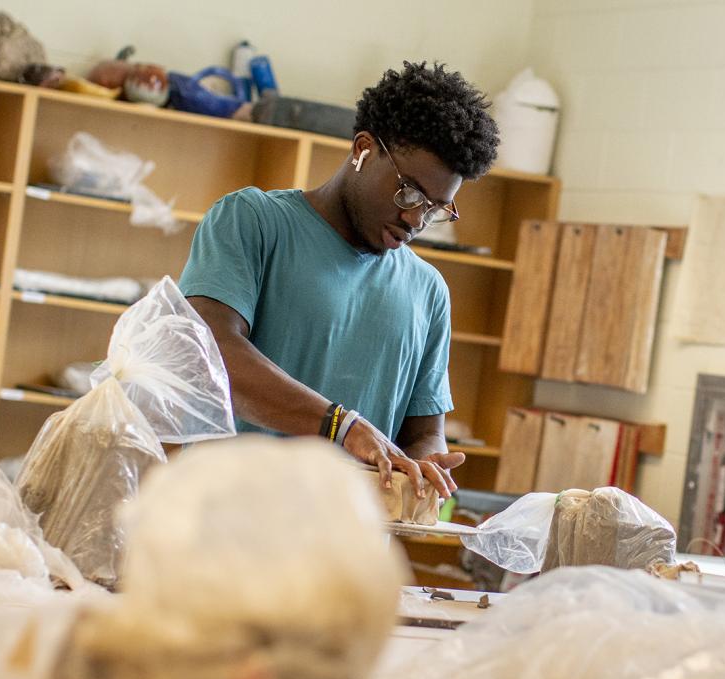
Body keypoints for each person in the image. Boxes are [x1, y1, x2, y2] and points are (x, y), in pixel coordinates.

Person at [180, 61, 499, 500]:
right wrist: (340, 426)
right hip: (226, 523)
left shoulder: (428, 292)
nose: (415, 218)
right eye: (409, 192)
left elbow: (424, 431)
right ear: (364, 149)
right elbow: (210, 352)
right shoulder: (253, 222)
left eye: (435, 209)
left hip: (344, 542)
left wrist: (426, 463)